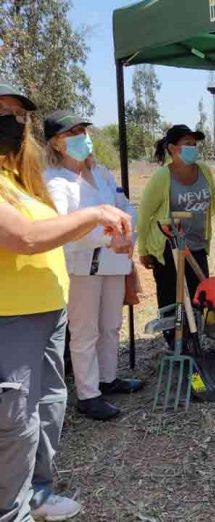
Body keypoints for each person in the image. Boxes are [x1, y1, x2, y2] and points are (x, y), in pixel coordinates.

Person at [0, 82, 131, 522]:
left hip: (47, 306)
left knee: (46, 407)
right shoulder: (44, 181)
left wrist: (112, 227)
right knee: (14, 422)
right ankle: (11, 510)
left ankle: (37, 494)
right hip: (12, 314)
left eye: (19, 115)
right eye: (3, 111)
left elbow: (112, 206)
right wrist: (96, 219)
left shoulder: (21, 178)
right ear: (56, 141)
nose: (12, 122)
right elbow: (30, 237)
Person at [43, 110, 142, 422]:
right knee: (84, 331)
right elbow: (66, 226)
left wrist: (126, 232)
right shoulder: (55, 181)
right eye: (73, 133)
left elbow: (124, 206)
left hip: (114, 261)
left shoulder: (100, 172)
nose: (82, 137)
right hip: (82, 266)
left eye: (83, 130)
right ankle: (88, 394)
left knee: (111, 325)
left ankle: (107, 378)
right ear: (57, 144)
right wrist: (107, 236)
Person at [137, 125, 215, 345]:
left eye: (194, 144)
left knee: (201, 295)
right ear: (172, 148)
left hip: (197, 245)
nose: (193, 148)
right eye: (187, 144)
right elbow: (144, 215)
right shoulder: (163, 177)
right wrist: (143, 250)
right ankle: (175, 342)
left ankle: (197, 340)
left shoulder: (204, 171)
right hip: (169, 247)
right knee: (172, 298)